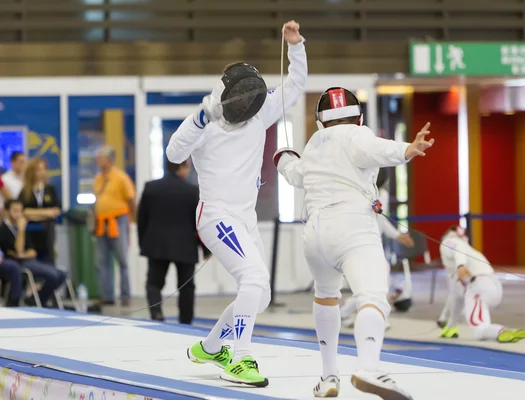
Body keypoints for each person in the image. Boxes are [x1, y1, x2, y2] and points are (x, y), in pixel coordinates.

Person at [166, 20, 307, 388]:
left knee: (259, 297)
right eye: (240, 98)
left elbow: (295, 85)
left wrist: (295, 46)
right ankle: (240, 357)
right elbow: (173, 151)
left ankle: (212, 347)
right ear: (229, 95)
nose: (246, 105)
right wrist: (199, 117)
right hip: (215, 216)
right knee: (254, 277)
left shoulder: (260, 113)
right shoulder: (206, 118)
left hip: (245, 218)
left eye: (251, 99)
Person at [273, 87, 433, 399]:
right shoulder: (357, 135)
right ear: (358, 118)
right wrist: (408, 149)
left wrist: (282, 158)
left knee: (326, 296)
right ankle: (368, 367)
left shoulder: (313, 144)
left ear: (320, 122)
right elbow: (376, 148)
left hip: (315, 235)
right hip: (352, 227)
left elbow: (294, 173)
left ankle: (329, 376)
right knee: (372, 298)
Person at [340, 169, 415, 329]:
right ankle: (367, 315)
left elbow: (378, 218)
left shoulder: (374, 193)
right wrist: (396, 235)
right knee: (375, 282)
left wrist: (397, 235)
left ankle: (349, 313)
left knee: (373, 283)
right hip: (362, 243)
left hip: (366, 243)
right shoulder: (367, 192)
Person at [138, 159, 207, 324]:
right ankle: (186, 321)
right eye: (188, 168)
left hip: (157, 244)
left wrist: (144, 244)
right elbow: (200, 223)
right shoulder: (192, 191)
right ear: (181, 167)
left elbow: (142, 219)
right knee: (186, 287)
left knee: (154, 283)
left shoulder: (151, 188)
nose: (188, 171)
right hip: (185, 246)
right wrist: (206, 249)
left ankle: (156, 314)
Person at [438, 225, 525, 343]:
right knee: (480, 323)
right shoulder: (469, 250)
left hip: (478, 287)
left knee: (479, 331)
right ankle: (501, 331)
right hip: (492, 286)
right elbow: (456, 296)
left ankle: (501, 331)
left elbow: (457, 248)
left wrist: (460, 265)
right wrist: (450, 326)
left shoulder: (449, 241)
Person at [0, 199, 66, 307]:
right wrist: (21, 230)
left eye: (20, 211)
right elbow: (18, 250)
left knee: (61, 274)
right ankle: (16, 303)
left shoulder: (20, 227)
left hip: (29, 260)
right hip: (18, 263)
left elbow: (32, 251)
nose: (19, 214)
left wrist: (22, 254)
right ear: (6, 212)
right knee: (53, 275)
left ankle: (37, 299)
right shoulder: (3, 230)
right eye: (15, 211)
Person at [93, 146, 135, 307]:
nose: (98, 161)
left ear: (109, 160)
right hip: (101, 223)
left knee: (122, 260)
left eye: (100, 158)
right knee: (102, 261)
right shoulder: (98, 179)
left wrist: (133, 220)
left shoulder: (121, 177)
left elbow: (131, 200)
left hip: (118, 221)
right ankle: (107, 296)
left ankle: (125, 295)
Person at [18, 158, 61, 264]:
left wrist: (32, 214)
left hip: (47, 232)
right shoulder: (25, 191)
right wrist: (46, 213)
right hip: (30, 234)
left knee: (49, 262)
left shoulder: (50, 189)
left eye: (43, 169)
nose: (41, 172)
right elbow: (23, 211)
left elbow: (55, 211)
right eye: (38, 170)